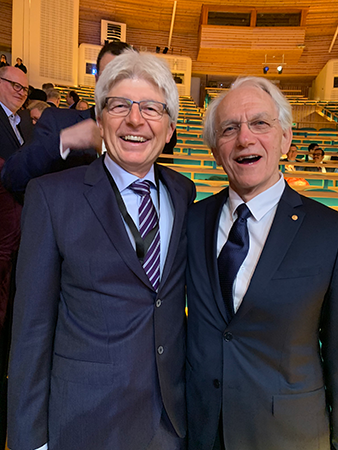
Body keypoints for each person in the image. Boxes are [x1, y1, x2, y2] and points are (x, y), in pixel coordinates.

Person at [8, 50, 195, 450]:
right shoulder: (52, 197)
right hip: (85, 422)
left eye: (151, 108)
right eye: (119, 105)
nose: (134, 119)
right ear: (99, 118)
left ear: (170, 127)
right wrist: (29, 440)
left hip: (167, 423)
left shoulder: (183, 192)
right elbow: (31, 331)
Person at [186, 76, 338, 450]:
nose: (245, 138)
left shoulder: (329, 231)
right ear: (214, 149)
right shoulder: (191, 221)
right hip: (199, 429)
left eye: (260, 123)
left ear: (285, 139)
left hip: (289, 434)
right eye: (229, 129)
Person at [1, 41, 132, 193]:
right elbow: (12, 178)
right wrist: (64, 140)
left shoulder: (140, 133)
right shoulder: (58, 121)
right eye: (108, 77)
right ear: (97, 81)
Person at [0, 65, 31, 450]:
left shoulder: (24, 122)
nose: (20, 91)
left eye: (25, 87)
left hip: (20, 228)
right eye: (13, 84)